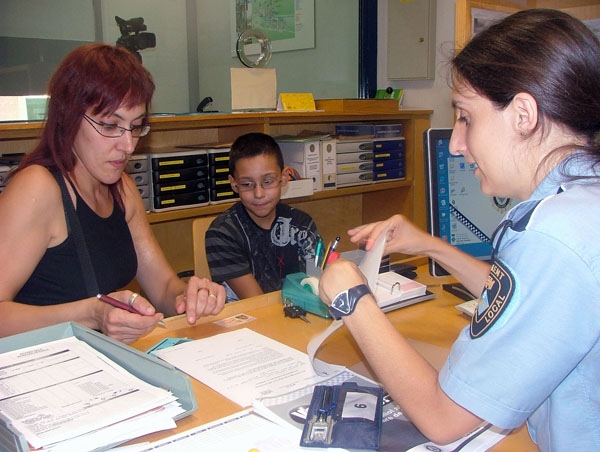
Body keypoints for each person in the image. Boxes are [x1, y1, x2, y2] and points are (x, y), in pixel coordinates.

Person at [318, 9, 600, 451]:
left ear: (523, 114)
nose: (455, 143)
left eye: (466, 117)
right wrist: (431, 245)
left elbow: (442, 417)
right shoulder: (584, 200)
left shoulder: (552, 233)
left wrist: (352, 299)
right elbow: (534, 302)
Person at [0, 43, 225, 344]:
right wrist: (91, 314)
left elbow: (162, 288)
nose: (128, 145)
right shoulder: (38, 188)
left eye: (136, 127)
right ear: (68, 118)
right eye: (109, 126)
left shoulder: (123, 188)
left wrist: (190, 297)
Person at [205, 132, 321, 301]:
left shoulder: (302, 224)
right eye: (247, 184)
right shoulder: (223, 233)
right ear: (233, 183)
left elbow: (318, 282)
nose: (258, 193)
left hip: (301, 312)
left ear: (284, 177)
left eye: (268, 181)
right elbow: (257, 302)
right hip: (252, 319)